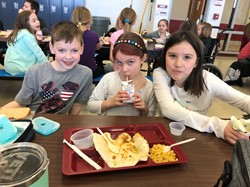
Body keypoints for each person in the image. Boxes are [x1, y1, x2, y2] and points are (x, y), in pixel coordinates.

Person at [153, 30, 250, 145]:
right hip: (165, 133)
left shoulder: (208, 80)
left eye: (187, 57)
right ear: (165, 57)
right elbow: (168, 109)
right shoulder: (160, 74)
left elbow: (243, 100)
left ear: (196, 62)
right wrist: (217, 125)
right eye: (172, 56)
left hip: (196, 133)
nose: (178, 64)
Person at [1, 21, 93, 115]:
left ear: (81, 49)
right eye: (61, 50)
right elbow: (20, 103)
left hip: (60, 123)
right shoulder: (34, 72)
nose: (68, 56)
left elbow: (77, 104)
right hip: (33, 120)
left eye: (74, 50)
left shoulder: (85, 74)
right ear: (52, 48)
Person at [87, 32, 156, 116]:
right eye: (119, 62)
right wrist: (111, 102)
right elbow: (90, 106)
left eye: (130, 62)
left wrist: (144, 109)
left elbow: (151, 116)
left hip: (134, 128)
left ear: (143, 58)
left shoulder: (150, 88)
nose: (124, 69)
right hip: (107, 127)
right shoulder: (109, 79)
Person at [4, 10, 48, 75]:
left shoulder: (17, 32)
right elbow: (38, 53)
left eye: (37, 19)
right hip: (19, 67)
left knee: (39, 62)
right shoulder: (27, 35)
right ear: (26, 23)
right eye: (34, 21)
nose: (38, 22)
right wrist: (49, 66)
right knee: (42, 65)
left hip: (10, 66)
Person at [71, 6, 105, 78]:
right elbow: (97, 48)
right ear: (89, 20)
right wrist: (101, 42)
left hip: (72, 71)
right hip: (90, 71)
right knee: (102, 68)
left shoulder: (69, 35)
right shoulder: (93, 35)